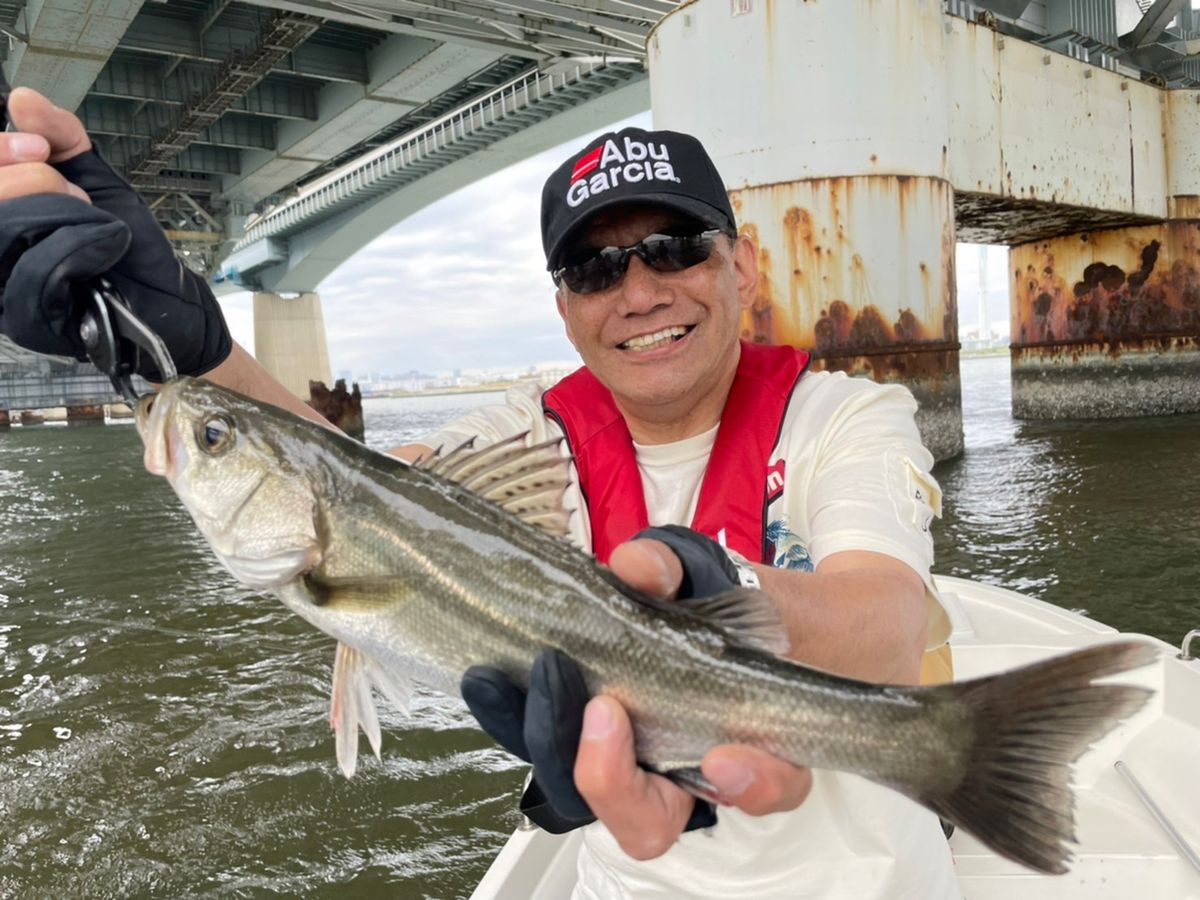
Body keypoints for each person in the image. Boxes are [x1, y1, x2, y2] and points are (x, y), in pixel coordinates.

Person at [0, 87, 957, 898]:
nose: (639, 290)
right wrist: (195, 352)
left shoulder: (844, 415)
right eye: (594, 267)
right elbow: (362, 489)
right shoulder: (528, 432)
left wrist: (724, 599)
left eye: (673, 247)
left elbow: (887, 625)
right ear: (565, 306)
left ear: (739, 267)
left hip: (868, 882)